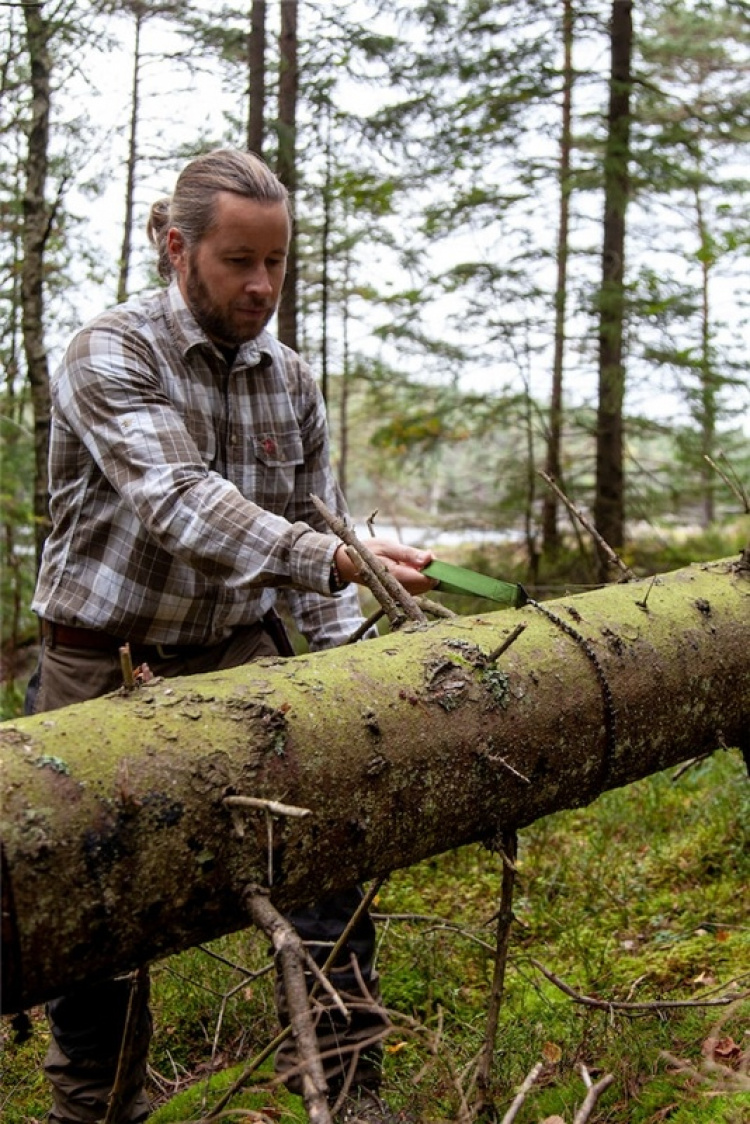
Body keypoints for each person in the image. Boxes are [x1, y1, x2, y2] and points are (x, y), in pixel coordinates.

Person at [26, 147, 435, 1124]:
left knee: (323, 844)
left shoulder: (289, 379)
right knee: (98, 899)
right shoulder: (110, 353)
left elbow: (322, 519)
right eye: (238, 261)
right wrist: (324, 559)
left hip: (240, 651)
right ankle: (98, 1099)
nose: (261, 286)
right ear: (178, 247)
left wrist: (348, 679)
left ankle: (346, 1081)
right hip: (102, 662)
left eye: (277, 263)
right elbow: (179, 501)